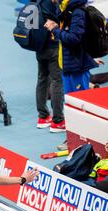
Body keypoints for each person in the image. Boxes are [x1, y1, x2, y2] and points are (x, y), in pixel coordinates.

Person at [45, 0, 100, 147]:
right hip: (67, 65)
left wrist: (54, 30)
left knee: (82, 107)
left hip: (77, 67)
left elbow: (75, 38)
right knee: (70, 106)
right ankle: (73, 139)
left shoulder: (78, 12)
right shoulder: (65, 8)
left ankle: (88, 140)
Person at [34, 0, 66, 132]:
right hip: (53, 47)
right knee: (56, 81)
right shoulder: (55, 3)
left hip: (39, 44)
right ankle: (58, 121)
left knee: (42, 78)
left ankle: (43, 117)